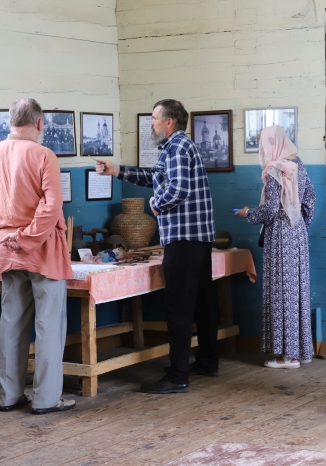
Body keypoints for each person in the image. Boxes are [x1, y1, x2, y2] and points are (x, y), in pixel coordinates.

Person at [95, 99, 218, 394]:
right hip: (198, 237)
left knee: (178, 307)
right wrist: (117, 170)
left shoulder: (176, 147)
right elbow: (155, 177)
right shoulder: (178, 146)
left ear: (169, 122)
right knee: (203, 303)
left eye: (153, 118)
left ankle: (178, 377)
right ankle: (207, 362)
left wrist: (156, 205)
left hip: (183, 238)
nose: (150, 123)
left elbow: (176, 189)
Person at [0, 97, 75, 415]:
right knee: (49, 324)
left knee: (11, 322)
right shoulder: (43, 155)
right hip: (40, 247)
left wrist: (16, 238)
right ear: (40, 123)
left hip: (6, 244)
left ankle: (8, 396)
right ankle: (46, 399)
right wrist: (28, 239)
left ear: (10, 121)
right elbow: (52, 207)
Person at [234, 125, 316, 369]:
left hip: (280, 236)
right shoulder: (299, 165)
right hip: (297, 233)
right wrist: (298, 223)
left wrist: (247, 213)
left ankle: (286, 357)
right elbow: (310, 199)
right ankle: (301, 351)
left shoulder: (275, 170)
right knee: (297, 291)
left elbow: (269, 210)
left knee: (281, 292)